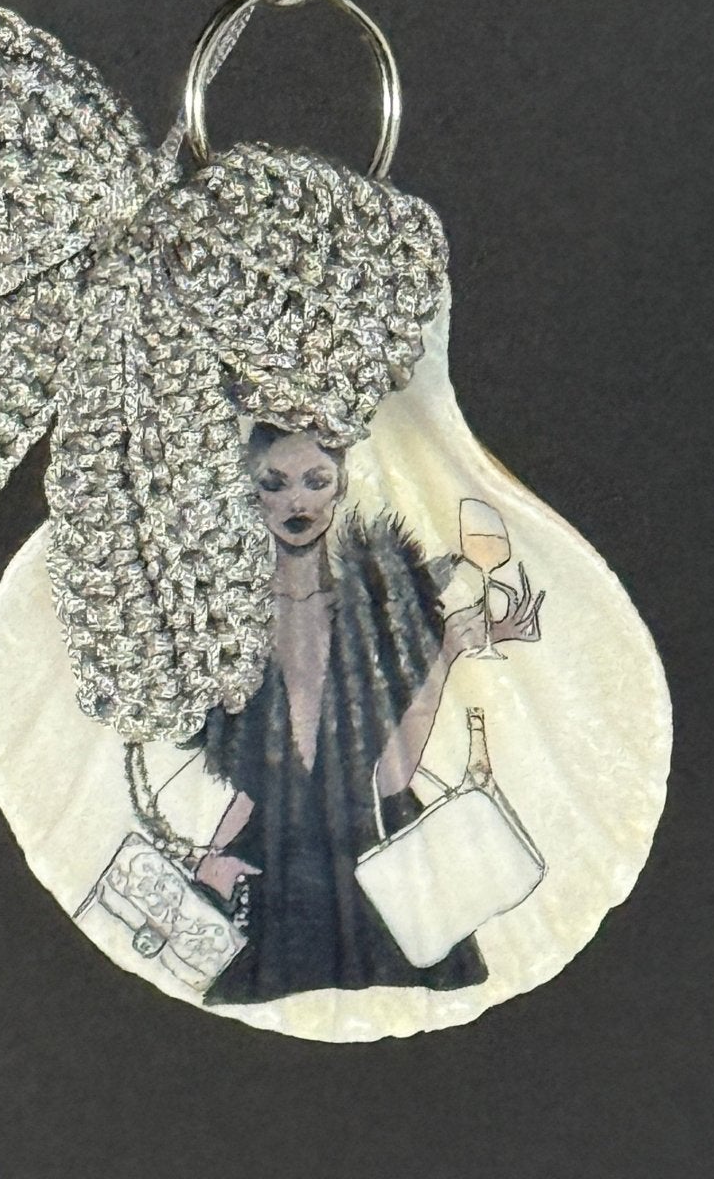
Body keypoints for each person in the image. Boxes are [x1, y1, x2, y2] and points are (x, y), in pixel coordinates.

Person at [192, 425, 542, 1005]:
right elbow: (254, 783)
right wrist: (212, 858)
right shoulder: (232, 623)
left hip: (382, 871)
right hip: (281, 879)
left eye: (315, 481)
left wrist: (449, 650)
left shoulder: (377, 611)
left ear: (342, 486)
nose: (297, 502)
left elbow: (391, 776)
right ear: (251, 494)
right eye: (275, 484)